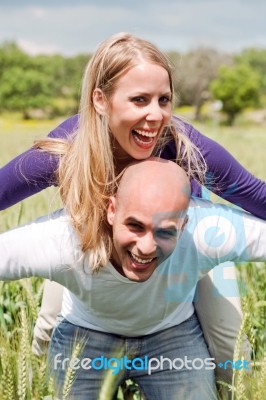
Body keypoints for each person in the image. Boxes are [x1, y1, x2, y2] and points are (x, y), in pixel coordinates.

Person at [0, 32, 265, 379]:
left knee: (229, 346)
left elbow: (255, 195)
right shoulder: (68, 150)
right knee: (48, 332)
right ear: (100, 100)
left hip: (183, 251)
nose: (155, 115)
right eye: (139, 100)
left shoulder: (183, 145)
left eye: (164, 100)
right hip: (92, 251)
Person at [1, 158, 266, 400]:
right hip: (86, 333)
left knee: (230, 350)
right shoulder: (62, 239)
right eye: (135, 226)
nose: (146, 247)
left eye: (164, 232)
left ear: (183, 226)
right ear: (111, 210)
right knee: (45, 333)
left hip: (172, 336)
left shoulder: (206, 230)